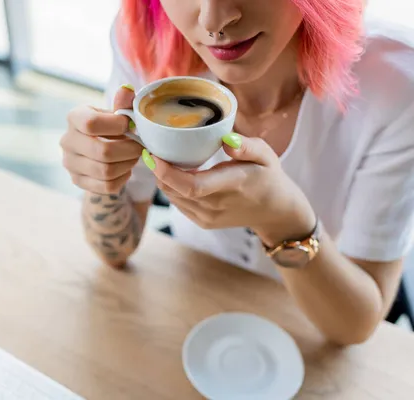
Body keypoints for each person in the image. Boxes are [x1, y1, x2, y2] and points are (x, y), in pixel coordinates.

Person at [60, 0, 414, 345]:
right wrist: (102, 171)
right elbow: (114, 252)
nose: (215, 19)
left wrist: (285, 221)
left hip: (302, 331)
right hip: (188, 309)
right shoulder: (149, 39)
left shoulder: (395, 84)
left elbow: (354, 327)